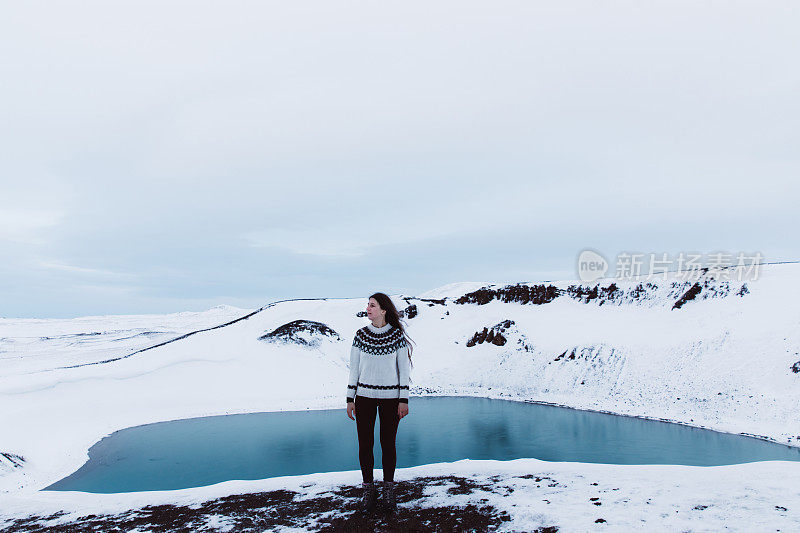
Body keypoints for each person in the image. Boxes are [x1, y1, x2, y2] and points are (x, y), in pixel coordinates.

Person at [346, 292, 414, 518]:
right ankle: (368, 490)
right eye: (367, 305)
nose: (368, 308)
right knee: (365, 445)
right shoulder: (360, 335)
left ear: (383, 310)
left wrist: (403, 399)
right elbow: (354, 369)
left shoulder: (396, 337)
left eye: (372, 305)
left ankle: (388, 490)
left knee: (388, 444)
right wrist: (350, 398)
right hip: (363, 398)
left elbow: (404, 371)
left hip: (391, 399)